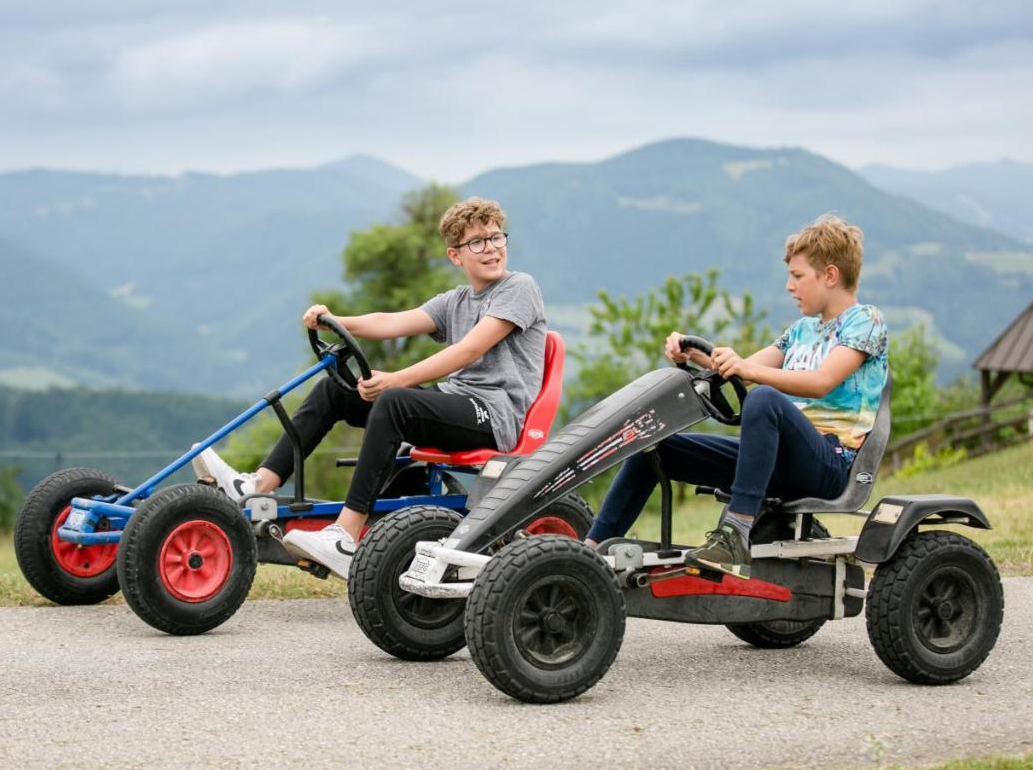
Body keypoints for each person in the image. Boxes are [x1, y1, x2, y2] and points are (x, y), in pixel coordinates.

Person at [194, 197, 546, 578]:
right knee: (336, 390)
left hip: (493, 414)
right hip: (454, 401)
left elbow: (469, 349)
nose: (492, 249)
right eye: (478, 242)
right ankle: (260, 484)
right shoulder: (456, 301)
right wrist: (332, 320)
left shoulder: (518, 287)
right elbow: (389, 321)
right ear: (456, 256)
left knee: (394, 401)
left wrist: (396, 380)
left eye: (496, 238)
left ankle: (346, 535)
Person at [585, 214, 888, 577]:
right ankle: (586, 556)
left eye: (797, 276)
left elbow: (822, 381)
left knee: (764, 398)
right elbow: (743, 367)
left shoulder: (866, 321)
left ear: (831, 275)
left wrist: (749, 372)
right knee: (654, 449)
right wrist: (693, 354)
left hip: (830, 462)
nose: (790, 286)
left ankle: (734, 536)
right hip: (775, 460)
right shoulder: (801, 330)